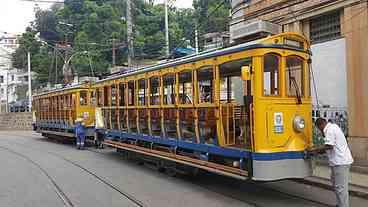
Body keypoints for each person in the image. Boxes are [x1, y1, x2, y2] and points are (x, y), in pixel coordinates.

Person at [309, 117, 354, 207]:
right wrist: (316, 152)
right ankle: (340, 204)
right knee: (336, 184)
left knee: (340, 188)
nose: (320, 131)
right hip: (338, 162)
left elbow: (329, 146)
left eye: (319, 129)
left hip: (340, 162)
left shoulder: (329, 130)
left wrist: (315, 149)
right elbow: (327, 147)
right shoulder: (333, 127)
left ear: (320, 126)